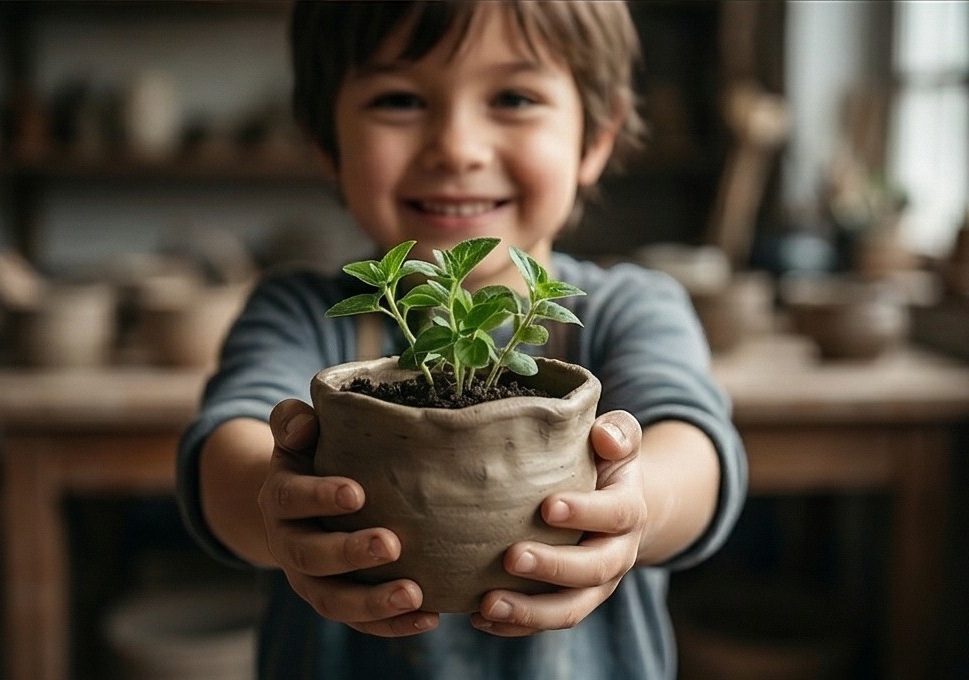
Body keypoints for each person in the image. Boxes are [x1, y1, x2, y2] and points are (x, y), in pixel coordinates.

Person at [177, 2, 747, 678]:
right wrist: (274, 506)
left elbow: (696, 446)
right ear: (325, 139)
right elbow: (224, 451)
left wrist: (639, 508)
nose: (457, 147)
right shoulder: (300, 311)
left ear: (595, 138)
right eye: (399, 99)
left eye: (513, 97)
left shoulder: (628, 307)